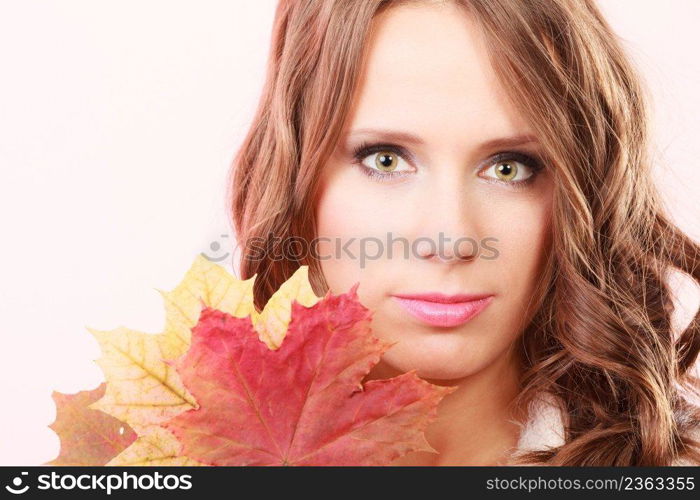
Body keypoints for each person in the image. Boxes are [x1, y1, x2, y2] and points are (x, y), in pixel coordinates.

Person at [228, 0, 700, 465]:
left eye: (510, 168)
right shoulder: (174, 455)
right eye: (385, 159)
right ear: (294, 179)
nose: (450, 240)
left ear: (583, 197)